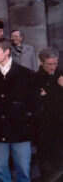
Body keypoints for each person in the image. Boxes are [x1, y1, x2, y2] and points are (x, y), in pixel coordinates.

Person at [0, 38, 40, 182]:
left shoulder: (27, 75)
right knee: (1, 171)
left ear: (7, 52)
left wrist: (28, 123)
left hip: (21, 131)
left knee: (23, 171)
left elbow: (34, 104)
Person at [35, 47, 63, 181]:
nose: (53, 67)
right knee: (48, 167)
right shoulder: (35, 78)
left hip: (61, 127)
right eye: (49, 64)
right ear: (41, 62)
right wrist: (58, 88)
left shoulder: (61, 75)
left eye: (55, 63)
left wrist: (48, 94)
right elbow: (41, 103)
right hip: (45, 129)